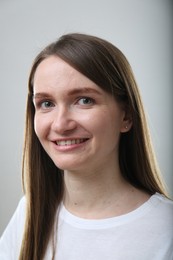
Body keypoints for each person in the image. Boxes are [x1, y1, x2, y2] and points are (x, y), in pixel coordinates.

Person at [0, 33, 172, 260]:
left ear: (126, 116)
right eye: (46, 103)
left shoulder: (166, 230)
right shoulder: (29, 213)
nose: (61, 124)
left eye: (84, 100)